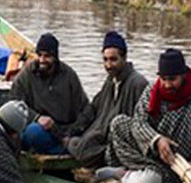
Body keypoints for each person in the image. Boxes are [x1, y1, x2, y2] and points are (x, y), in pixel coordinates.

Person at [104, 48, 191, 183]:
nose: (167, 84)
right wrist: (156, 140)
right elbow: (139, 123)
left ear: (184, 76)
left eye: (172, 79)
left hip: (176, 170)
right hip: (150, 156)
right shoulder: (153, 91)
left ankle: (125, 176)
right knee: (118, 124)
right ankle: (128, 171)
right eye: (163, 79)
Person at [63, 31, 148, 167]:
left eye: (113, 59)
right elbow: (93, 109)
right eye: (105, 60)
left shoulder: (137, 84)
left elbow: (142, 124)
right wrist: (73, 130)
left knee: (79, 149)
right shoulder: (111, 80)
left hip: (118, 144)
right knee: (73, 142)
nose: (108, 65)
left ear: (124, 58)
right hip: (100, 136)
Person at [10, 33, 88, 154]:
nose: (42, 60)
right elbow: (14, 104)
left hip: (64, 130)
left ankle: (67, 149)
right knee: (32, 133)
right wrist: (37, 118)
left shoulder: (69, 75)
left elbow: (84, 108)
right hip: (39, 129)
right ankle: (62, 152)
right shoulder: (26, 75)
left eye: (47, 56)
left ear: (55, 57)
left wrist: (71, 132)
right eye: (39, 55)